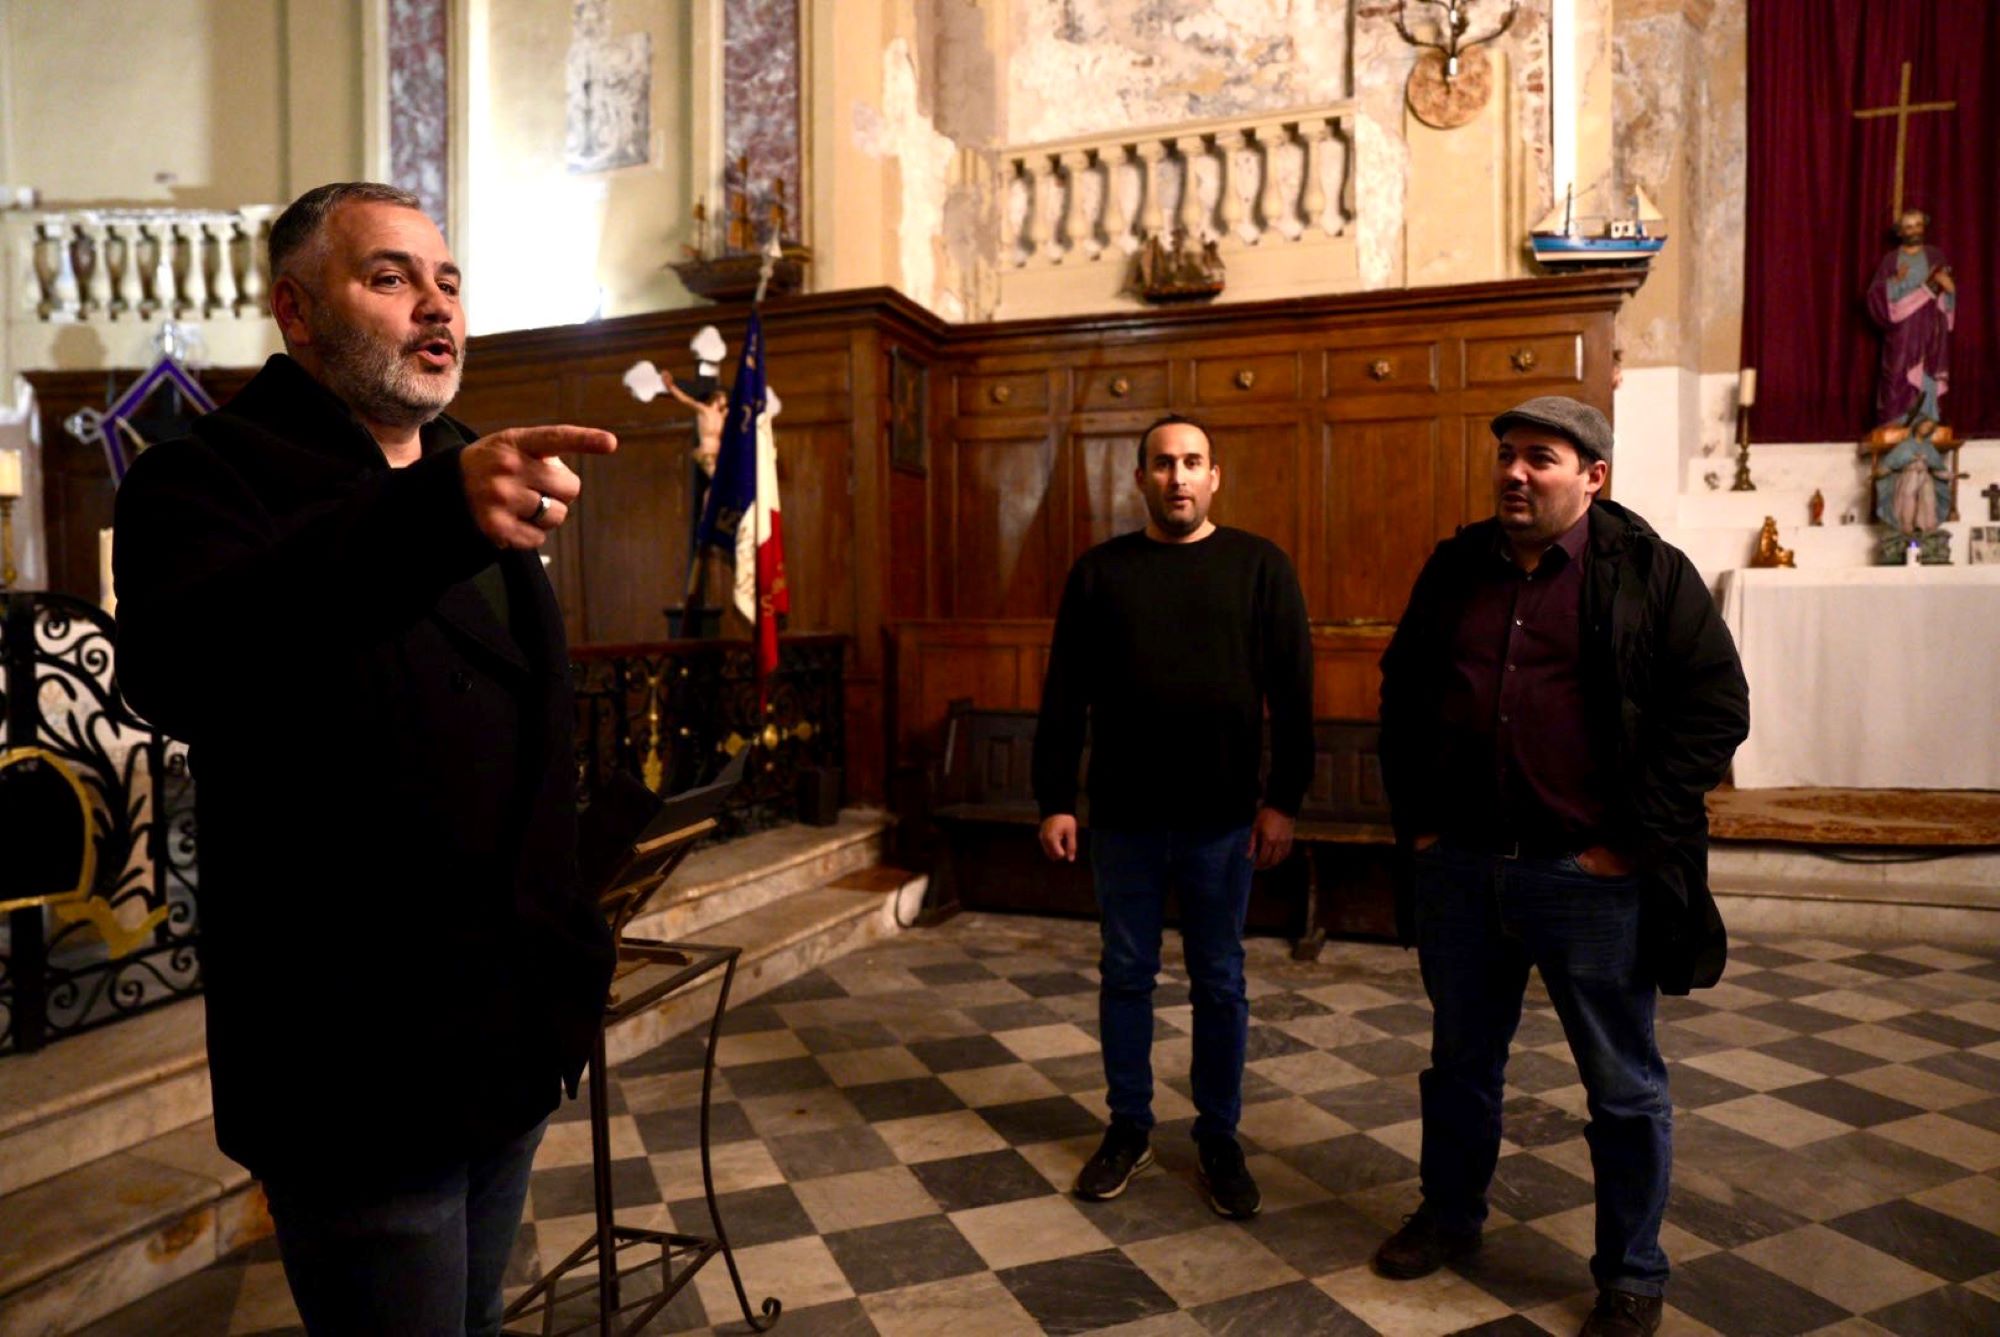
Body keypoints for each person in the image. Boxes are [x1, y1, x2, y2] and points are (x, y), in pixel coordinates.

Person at [114, 182, 619, 1336]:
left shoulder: (466, 466)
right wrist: (433, 514)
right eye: (390, 278)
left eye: (447, 281)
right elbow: (190, 659)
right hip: (361, 1061)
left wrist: (569, 954)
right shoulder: (202, 477)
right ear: (295, 311)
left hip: (509, 1036)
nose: (435, 307)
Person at [1373, 396, 1747, 1337]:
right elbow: (1402, 691)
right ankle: (1450, 1215)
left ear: (1593, 477)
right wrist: (1421, 826)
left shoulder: (1649, 573)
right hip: (1463, 868)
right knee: (1459, 1066)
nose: (1515, 473)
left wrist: (1630, 840)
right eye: (1506, 456)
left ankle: (1631, 1272)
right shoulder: (1457, 568)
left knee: (1623, 1086)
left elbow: (1715, 707)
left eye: (1540, 457)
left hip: (1586, 879)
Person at [1032, 414, 1313, 1220]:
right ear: (1140, 479)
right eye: (1162, 464)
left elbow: (1292, 697)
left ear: (1215, 476)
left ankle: (1219, 1137)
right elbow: (1063, 696)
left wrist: (1283, 799)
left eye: (1192, 463)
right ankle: (1128, 1125)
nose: (1178, 477)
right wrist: (1054, 795)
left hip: (1222, 819)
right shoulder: (1100, 572)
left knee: (1219, 982)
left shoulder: (1260, 566)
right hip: (1122, 817)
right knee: (1125, 975)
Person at [1866, 208, 1955, 432]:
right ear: (1900, 232)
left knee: (1927, 372)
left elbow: (1945, 292)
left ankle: (1926, 423)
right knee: (1898, 373)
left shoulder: (1935, 255)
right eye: (1908, 226)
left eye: (1917, 225)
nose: (1914, 230)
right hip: (1903, 331)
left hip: (1930, 327)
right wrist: (1895, 281)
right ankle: (1897, 423)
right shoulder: (1891, 259)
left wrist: (1949, 289)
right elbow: (1875, 295)